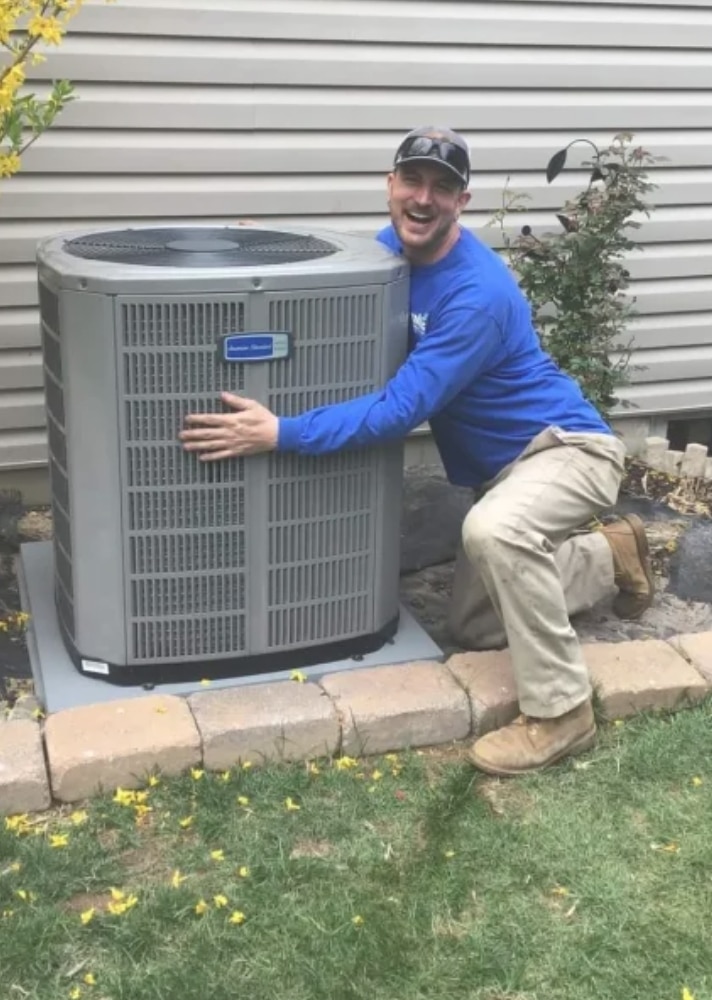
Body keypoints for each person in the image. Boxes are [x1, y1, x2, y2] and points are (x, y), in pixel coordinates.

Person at [179, 126, 655, 777]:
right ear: (391, 185)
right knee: (476, 627)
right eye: (413, 181)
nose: (423, 198)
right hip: (505, 472)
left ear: (463, 200)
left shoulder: (475, 295)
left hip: (566, 449)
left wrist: (280, 433)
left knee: (495, 531)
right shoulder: (390, 253)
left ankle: (562, 712)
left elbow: (402, 410)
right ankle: (610, 556)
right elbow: (338, 270)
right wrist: (279, 253)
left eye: (442, 187)